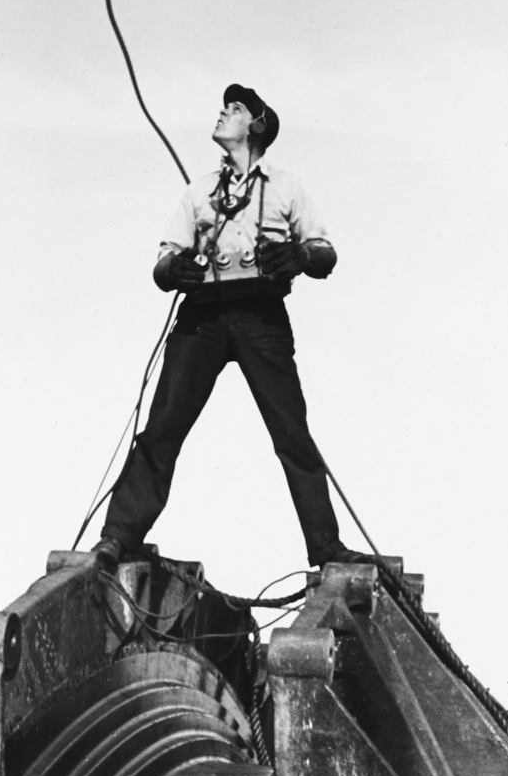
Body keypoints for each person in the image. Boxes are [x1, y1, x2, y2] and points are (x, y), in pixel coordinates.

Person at [92, 84, 366, 570]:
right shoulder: (198, 191)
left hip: (262, 318)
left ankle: (325, 545)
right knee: (163, 426)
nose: (223, 113)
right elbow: (162, 260)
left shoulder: (286, 187)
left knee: (291, 431)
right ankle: (118, 536)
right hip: (203, 319)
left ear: (256, 126)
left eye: (235, 109)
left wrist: (300, 256)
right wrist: (173, 270)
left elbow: (325, 252)